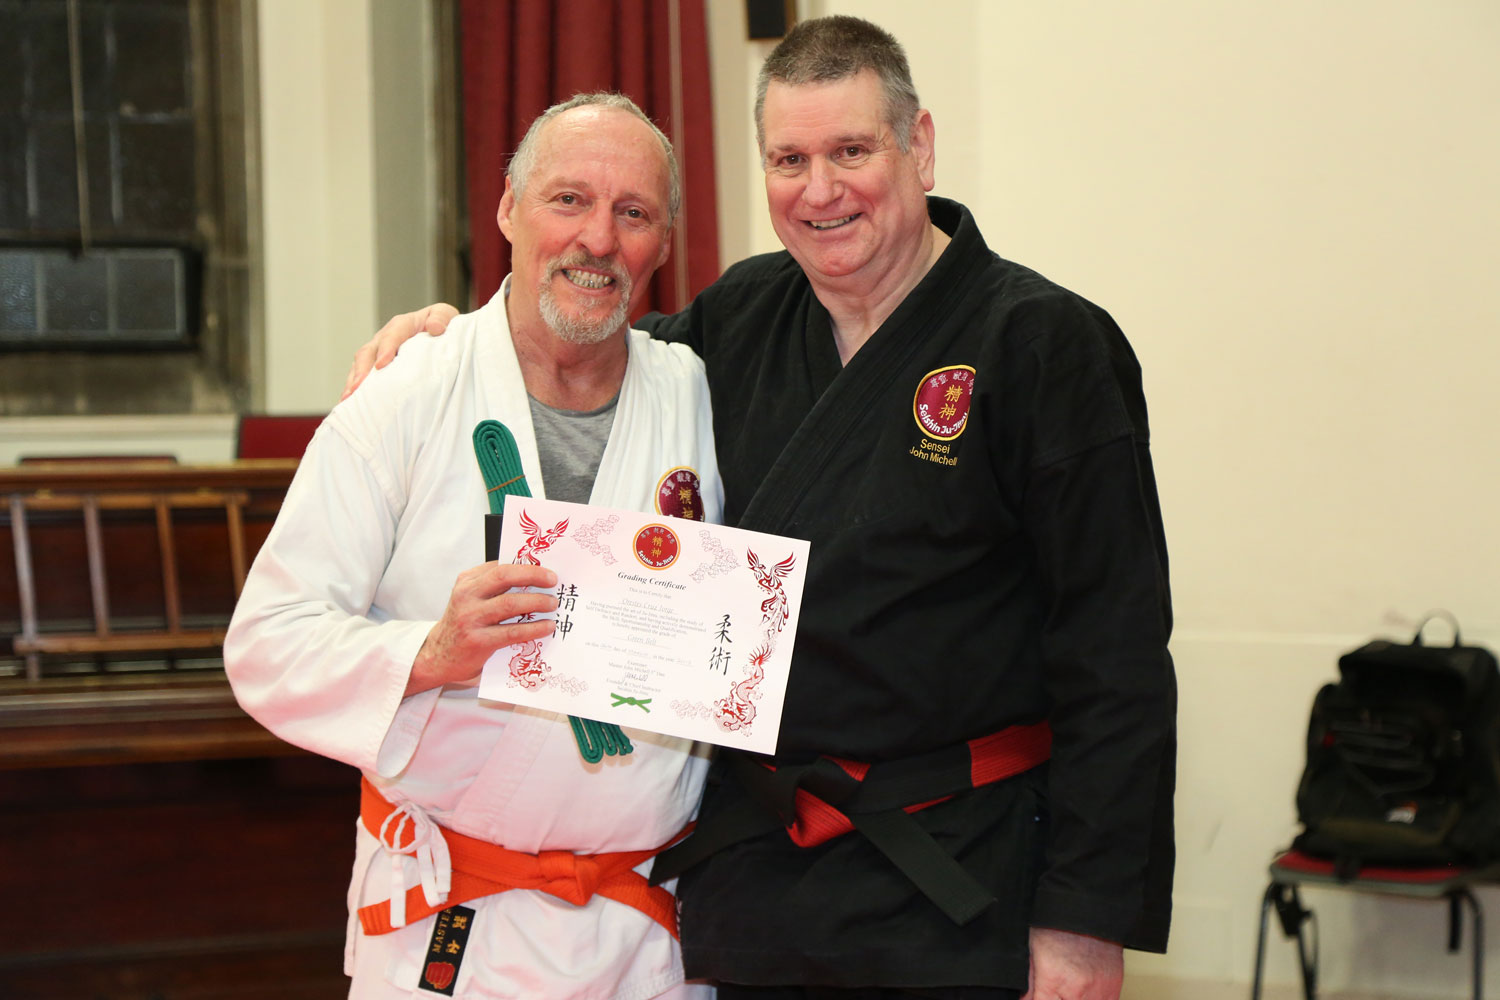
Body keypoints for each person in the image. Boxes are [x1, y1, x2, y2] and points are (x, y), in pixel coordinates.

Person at [345, 17, 1175, 1000]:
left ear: (919, 147)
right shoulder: (739, 319)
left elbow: (1114, 655)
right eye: (789, 160)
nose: (819, 190)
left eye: (851, 151)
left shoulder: (1044, 344)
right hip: (760, 879)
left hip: (964, 881)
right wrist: (455, 343)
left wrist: (1083, 921)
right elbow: (579, 359)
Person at [225, 93, 722, 1000]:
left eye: (634, 213)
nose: (598, 239)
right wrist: (429, 652)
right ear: (507, 209)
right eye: (568, 200)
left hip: (649, 939)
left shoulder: (698, 392)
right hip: (455, 931)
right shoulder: (408, 392)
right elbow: (266, 642)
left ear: (664, 241)